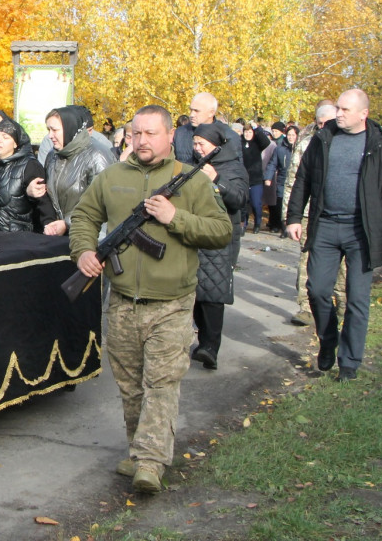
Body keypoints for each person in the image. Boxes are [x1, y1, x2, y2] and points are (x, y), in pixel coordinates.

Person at [70, 105, 232, 493]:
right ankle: (139, 450)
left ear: (168, 135)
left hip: (172, 303)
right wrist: (84, 252)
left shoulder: (189, 181)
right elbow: (84, 217)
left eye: (150, 134)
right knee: (130, 386)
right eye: (136, 134)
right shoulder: (111, 177)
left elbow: (221, 230)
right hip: (123, 301)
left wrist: (174, 217)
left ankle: (151, 462)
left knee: (161, 384)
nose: (142, 141)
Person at [287, 89, 382, 381]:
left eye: (344, 109)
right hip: (326, 225)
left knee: (357, 298)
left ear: (363, 114)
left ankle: (350, 362)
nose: (338, 113)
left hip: (362, 231)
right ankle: (328, 341)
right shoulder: (323, 138)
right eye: (337, 108)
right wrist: (293, 217)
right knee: (316, 290)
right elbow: (303, 178)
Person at [189, 123, 248, 371]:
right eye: (194, 143)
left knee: (213, 292)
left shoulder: (233, 166)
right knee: (195, 289)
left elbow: (239, 199)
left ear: (216, 145)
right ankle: (202, 340)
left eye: (202, 144)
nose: (197, 148)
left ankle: (210, 346)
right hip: (195, 231)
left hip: (222, 235)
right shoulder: (192, 165)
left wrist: (217, 179)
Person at [288, 104, 344, 326]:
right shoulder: (306, 144)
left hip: (334, 213)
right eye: (320, 123)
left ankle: (341, 304)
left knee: (342, 266)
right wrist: (291, 215)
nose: (324, 127)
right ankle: (306, 307)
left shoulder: (344, 143)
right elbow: (294, 180)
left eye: (328, 122)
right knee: (307, 260)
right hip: (309, 213)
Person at [28, 106, 115, 236]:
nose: (50, 135)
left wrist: (67, 223)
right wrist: (31, 191)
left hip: (91, 237)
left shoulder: (98, 156)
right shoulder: (53, 155)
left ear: (70, 128)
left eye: (55, 130)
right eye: (48, 129)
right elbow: (50, 197)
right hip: (59, 236)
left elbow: (101, 203)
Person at [0, 117, 56, 232]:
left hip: (18, 238)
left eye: (5, 137)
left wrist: (50, 227)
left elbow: (43, 204)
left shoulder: (30, 166)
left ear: (15, 143)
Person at [240, 122, 273, 233]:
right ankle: (243, 224)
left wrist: (257, 128)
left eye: (250, 132)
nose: (248, 134)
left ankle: (257, 223)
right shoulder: (239, 142)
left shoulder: (257, 143)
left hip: (255, 178)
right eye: (246, 132)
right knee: (243, 203)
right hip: (243, 178)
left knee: (256, 203)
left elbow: (266, 141)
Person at [264, 122, 293, 235]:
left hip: (296, 181)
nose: (291, 137)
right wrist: (268, 177)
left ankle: (287, 226)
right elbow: (272, 164)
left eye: (293, 135)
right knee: (280, 203)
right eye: (289, 135)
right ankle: (278, 225)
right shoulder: (280, 149)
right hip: (282, 180)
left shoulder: (301, 149)